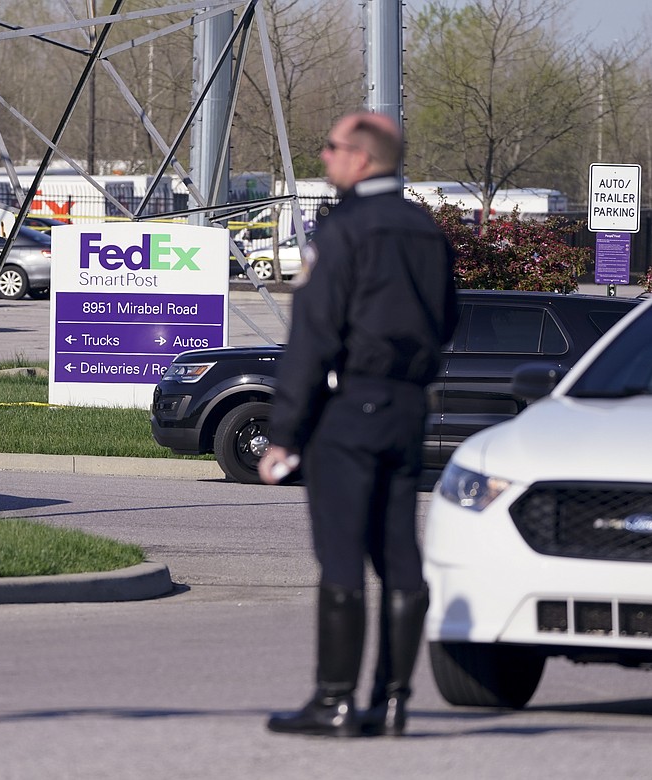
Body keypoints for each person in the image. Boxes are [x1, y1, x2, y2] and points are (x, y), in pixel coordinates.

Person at [259, 112, 457, 738]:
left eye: (332, 147)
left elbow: (312, 337)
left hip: (349, 409)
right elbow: (448, 318)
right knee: (399, 554)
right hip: (407, 408)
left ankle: (334, 702)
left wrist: (284, 431)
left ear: (363, 159)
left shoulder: (346, 229)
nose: (324, 158)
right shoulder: (426, 229)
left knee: (341, 553)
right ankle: (392, 700)